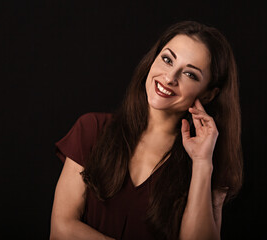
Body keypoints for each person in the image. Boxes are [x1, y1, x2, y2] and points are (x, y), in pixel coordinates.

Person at [50, 21, 243, 240]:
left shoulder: (210, 163)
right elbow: (60, 231)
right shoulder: (92, 129)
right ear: (153, 59)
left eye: (190, 74)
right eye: (167, 59)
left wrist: (201, 163)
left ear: (208, 94)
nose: (170, 77)